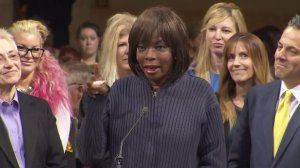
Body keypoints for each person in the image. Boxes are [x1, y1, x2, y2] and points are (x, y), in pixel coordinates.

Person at [78, 6, 226, 168]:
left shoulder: (201, 93)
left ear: (176, 50)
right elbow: (89, 155)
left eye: (160, 47)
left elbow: (214, 160)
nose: (149, 56)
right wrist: (97, 102)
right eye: (142, 48)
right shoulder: (119, 90)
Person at [228, 15, 300, 167]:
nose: (280, 55)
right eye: (280, 47)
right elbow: (238, 160)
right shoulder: (257, 97)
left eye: (291, 51)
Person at [77, 12, 136, 167]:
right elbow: (88, 153)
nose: (128, 50)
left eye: (133, 44)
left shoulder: (152, 89)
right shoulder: (95, 92)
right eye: (122, 45)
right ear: (111, 49)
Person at [0, 28, 66, 168]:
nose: (9, 64)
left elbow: (57, 162)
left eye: (13, 56)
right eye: (0, 59)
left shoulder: (41, 108)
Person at [8, 20, 72, 155]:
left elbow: (59, 141)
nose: (29, 55)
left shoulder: (54, 91)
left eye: (35, 49)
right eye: (21, 48)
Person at [217, 32, 273, 154]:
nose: (236, 63)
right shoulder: (215, 103)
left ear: (258, 60)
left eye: (244, 55)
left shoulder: (275, 104)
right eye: (231, 57)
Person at [188, 2, 247, 91]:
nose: (217, 36)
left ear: (239, 35)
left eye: (226, 31)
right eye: (212, 29)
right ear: (204, 33)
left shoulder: (247, 76)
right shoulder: (190, 75)